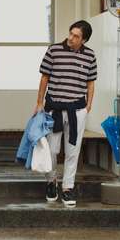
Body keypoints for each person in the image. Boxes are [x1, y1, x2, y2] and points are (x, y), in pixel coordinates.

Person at [35, 20, 97, 207]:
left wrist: (88, 106)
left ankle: (68, 188)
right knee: (52, 150)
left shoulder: (90, 56)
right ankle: (51, 181)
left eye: (76, 36)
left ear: (84, 39)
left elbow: (91, 82)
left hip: (77, 110)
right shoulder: (54, 50)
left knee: (73, 152)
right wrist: (39, 102)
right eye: (70, 33)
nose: (71, 38)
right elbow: (44, 77)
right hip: (54, 109)